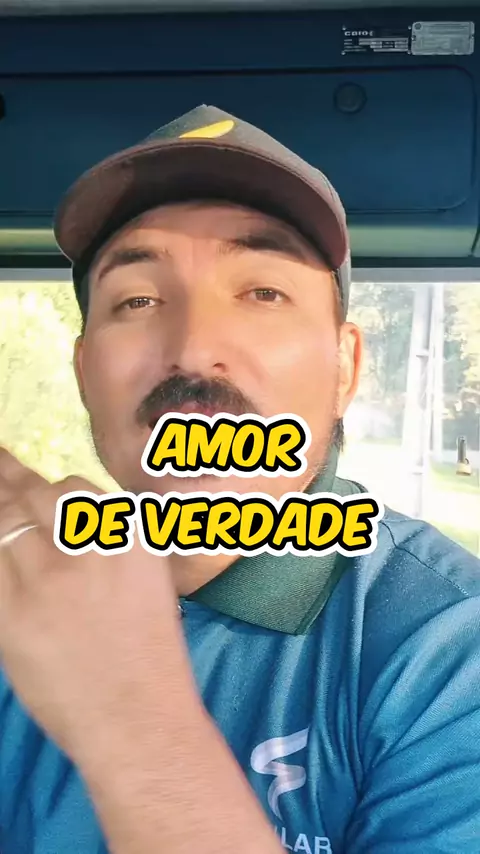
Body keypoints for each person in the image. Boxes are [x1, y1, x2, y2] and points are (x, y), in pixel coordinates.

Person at [0, 104, 479, 854]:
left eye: (262, 293)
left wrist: (130, 724)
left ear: (345, 368)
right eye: (138, 300)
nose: (194, 350)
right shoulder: (18, 591)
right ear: (86, 372)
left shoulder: (449, 648)